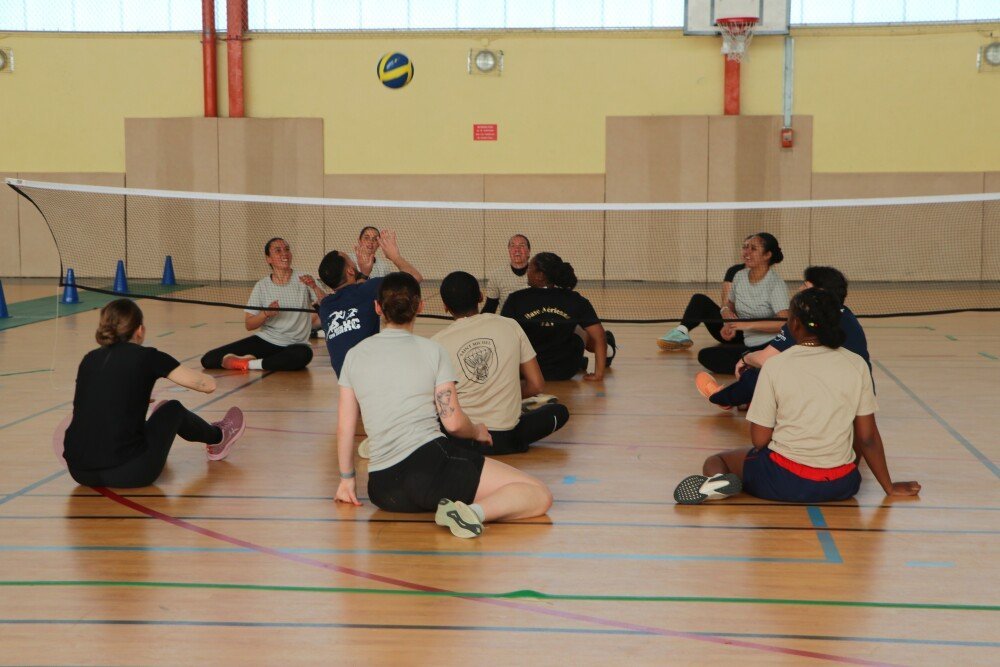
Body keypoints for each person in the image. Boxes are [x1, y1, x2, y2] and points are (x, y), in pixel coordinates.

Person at [335, 272, 553, 538]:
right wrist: (477, 431)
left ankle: (455, 507)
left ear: (378, 307)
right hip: (431, 472)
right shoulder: (432, 350)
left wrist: (347, 480)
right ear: (420, 307)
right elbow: (453, 423)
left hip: (383, 490)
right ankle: (471, 513)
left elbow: (345, 427)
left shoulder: (354, 356)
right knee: (538, 494)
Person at [673, 288, 921, 505]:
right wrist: (889, 487)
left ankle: (717, 480)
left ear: (794, 325)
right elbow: (867, 438)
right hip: (842, 484)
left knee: (718, 460)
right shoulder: (857, 365)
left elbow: (759, 439)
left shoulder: (775, 366)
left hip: (784, 481)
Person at [63, 299, 245, 488]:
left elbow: (95, 398)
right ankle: (219, 437)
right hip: (130, 473)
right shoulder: (147, 356)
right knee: (172, 409)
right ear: (139, 330)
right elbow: (207, 385)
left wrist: (135, 394)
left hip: (79, 471)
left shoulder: (89, 359)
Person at [432, 271, 570, 455]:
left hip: (462, 442)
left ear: (445, 306)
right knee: (559, 412)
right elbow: (536, 385)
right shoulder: (510, 325)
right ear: (481, 296)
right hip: (508, 439)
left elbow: (435, 402)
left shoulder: (436, 343)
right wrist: (508, 396)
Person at [696, 266, 869, 410]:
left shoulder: (802, 320)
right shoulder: (849, 316)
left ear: (820, 294)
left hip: (821, 399)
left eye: (805, 286)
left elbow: (764, 360)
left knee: (763, 373)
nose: (799, 290)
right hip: (861, 397)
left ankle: (721, 398)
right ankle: (751, 397)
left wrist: (745, 358)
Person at [658, 233, 789, 375]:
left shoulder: (775, 284)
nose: (747, 252)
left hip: (771, 345)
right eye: (745, 247)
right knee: (706, 356)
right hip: (748, 342)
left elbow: (783, 323)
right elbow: (728, 304)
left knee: (747, 359)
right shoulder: (739, 276)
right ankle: (755, 365)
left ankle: (761, 364)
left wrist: (745, 325)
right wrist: (728, 321)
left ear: (767, 255)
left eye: (753, 249)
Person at [201, 237, 323, 372]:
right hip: (267, 340)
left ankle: (249, 364)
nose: (284, 253)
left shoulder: (305, 279)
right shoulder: (262, 286)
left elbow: (326, 304)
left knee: (303, 355)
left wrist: (314, 287)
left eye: (287, 249)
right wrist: (265, 314)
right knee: (209, 359)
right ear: (268, 259)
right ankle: (268, 362)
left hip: (296, 344)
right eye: (278, 251)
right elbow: (249, 324)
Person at [317, 229, 423, 376]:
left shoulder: (325, 306)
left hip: (344, 379)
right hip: (371, 377)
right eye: (350, 259)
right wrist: (394, 256)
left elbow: (354, 295)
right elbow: (415, 277)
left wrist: (364, 274)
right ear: (350, 271)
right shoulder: (369, 289)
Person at [501, 252, 616, 382]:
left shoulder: (516, 299)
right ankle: (607, 351)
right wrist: (598, 374)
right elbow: (599, 336)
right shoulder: (575, 299)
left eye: (530, 268)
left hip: (526, 371)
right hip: (565, 370)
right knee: (581, 328)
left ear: (540, 275)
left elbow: (503, 336)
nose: (527, 272)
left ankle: (597, 354)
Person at [482, 234, 531, 314]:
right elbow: (490, 308)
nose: (517, 249)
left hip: (533, 320)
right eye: (513, 246)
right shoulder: (497, 276)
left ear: (528, 251)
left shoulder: (538, 275)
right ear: (509, 251)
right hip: (508, 321)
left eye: (521, 246)